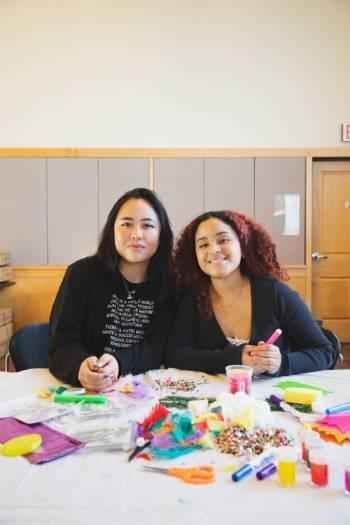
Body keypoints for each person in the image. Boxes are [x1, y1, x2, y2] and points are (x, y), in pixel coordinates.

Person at [166, 210, 336, 376]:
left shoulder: (276, 293)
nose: (213, 249)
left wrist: (281, 362)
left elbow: (324, 352)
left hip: (275, 399)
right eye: (203, 244)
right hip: (217, 399)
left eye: (223, 239)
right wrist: (233, 358)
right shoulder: (193, 298)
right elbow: (175, 354)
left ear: (243, 244)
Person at [48, 188, 174, 391]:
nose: (136, 234)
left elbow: (159, 346)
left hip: (143, 389)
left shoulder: (171, 283)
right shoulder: (81, 274)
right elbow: (61, 342)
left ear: (161, 236)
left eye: (148, 225)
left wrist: (119, 363)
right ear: (112, 231)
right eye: (126, 224)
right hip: (84, 390)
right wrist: (80, 366)